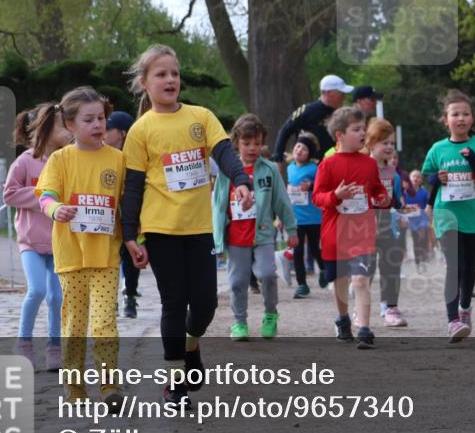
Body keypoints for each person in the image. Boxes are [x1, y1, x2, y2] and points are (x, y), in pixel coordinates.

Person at [120, 44, 253, 407]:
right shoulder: (140, 131)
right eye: (161, 74)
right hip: (161, 231)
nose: (170, 79)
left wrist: (242, 180)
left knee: (206, 304)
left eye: (174, 73)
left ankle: (192, 343)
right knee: (173, 304)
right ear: (144, 83)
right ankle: (175, 383)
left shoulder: (201, 117)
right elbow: (132, 187)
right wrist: (130, 236)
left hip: (198, 228)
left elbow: (225, 153)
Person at [35, 87, 126, 407]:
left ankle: (109, 387)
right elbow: (44, 195)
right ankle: (74, 388)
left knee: (104, 322)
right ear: (70, 125)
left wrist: (137, 240)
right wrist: (55, 209)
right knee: (75, 324)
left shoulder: (118, 160)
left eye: (101, 118)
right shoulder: (60, 160)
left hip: (106, 257)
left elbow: (128, 207)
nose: (98, 125)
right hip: (71, 258)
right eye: (89, 119)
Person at [422, 90, 475, 343]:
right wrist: (436, 178)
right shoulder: (438, 149)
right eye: (455, 114)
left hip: (473, 217)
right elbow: (427, 178)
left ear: (472, 119)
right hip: (447, 216)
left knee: (469, 270)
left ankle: (465, 307)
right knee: (456, 267)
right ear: (446, 120)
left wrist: (473, 159)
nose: (461, 118)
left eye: (466, 114)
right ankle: (452, 320)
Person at [213, 114, 298, 341]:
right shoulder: (226, 171)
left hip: (263, 234)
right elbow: (218, 205)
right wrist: (217, 237)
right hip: (236, 237)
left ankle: (270, 315)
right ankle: (239, 323)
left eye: (257, 143)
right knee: (237, 281)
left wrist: (291, 229)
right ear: (236, 144)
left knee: (268, 274)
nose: (252, 148)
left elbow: (282, 201)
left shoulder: (269, 169)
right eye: (247, 143)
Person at [312, 106, 391, 349]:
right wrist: (335, 195)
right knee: (342, 279)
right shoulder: (328, 164)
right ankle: (343, 319)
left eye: (363, 129)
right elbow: (317, 198)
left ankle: (365, 329)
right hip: (335, 233)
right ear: (340, 135)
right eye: (356, 130)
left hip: (363, 232)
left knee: (360, 280)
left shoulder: (368, 164)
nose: (362, 134)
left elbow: (376, 188)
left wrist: (382, 197)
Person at [6, 103, 70, 371]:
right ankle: (24, 345)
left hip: (58, 242)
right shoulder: (24, 161)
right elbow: (9, 194)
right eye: (63, 125)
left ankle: (54, 348)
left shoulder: (67, 160)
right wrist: (43, 197)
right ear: (45, 129)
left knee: (57, 297)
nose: (68, 130)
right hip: (30, 242)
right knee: (37, 290)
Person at [366, 118, 409, 327]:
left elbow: (397, 201)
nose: (390, 147)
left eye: (392, 143)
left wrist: (402, 216)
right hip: (364, 230)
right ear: (371, 143)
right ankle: (361, 309)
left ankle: (390, 307)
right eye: (385, 143)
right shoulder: (361, 169)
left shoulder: (394, 174)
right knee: (366, 270)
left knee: (391, 268)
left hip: (389, 230)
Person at [105, 110, 141, 318]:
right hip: (108, 216)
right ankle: (111, 298)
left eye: (109, 129)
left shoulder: (132, 157)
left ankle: (131, 297)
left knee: (130, 257)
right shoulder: (102, 155)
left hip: (130, 215)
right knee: (110, 257)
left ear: (123, 133)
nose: (104, 132)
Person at [272, 74, 354, 163]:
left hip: (334, 162)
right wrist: (278, 155)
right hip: (310, 166)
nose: (344, 97)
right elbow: (285, 130)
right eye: (341, 93)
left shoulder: (341, 114)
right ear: (328, 93)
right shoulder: (308, 111)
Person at [286, 134, 324, 296]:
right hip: (296, 217)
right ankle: (302, 285)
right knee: (298, 250)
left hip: (313, 217)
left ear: (310, 154)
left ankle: (323, 269)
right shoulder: (289, 168)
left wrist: (311, 186)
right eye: (298, 146)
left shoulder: (315, 169)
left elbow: (322, 187)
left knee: (315, 249)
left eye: (305, 148)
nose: (300, 150)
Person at [404, 170, 431, 274]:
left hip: (422, 220)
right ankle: (418, 262)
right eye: (414, 176)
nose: (416, 178)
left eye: (418, 177)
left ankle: (424, 259)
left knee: (422, 238)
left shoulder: (424, 193)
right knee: (416, 241)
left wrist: (430, 219)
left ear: (421, 180)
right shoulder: (405, 192)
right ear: (409, 179)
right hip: (411, 221)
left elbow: (428, 207)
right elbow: (402, 205)